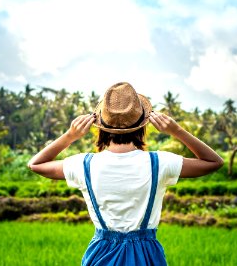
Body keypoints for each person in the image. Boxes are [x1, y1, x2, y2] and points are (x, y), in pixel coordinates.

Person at [28, 82, 224, 265]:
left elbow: (36, 164)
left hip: (100, 255)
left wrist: (70, 135)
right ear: (143, 125)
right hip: (147, 255)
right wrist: (177, 130)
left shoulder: (83, 164)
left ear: (101, 126)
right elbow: (213, 162)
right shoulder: (160, 162)